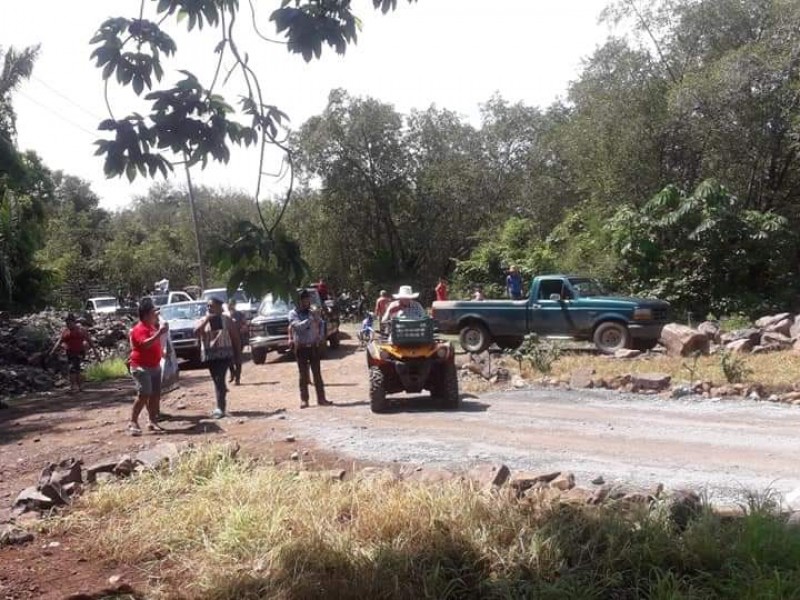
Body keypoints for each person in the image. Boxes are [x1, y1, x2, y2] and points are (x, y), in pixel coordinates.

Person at [128, 298, 168, 436]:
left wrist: (162, 353)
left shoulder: (151, 327)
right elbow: (144, 344)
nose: (155, 315)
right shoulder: (139, 329)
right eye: (153, 312)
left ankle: (152, 421)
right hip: (141, 367)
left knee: (155, 395)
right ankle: (133, 421)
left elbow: (154, 344)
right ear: (146, 314)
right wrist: (160, 333)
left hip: (155, 366)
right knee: (144, 394)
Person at [195, 297, 240, 418]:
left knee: (219, 379)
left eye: (212, 306)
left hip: (224, 355)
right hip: (210, 356)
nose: (209, 308)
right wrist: (206, 320)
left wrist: (237, 359)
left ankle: (220, 407)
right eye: (208, 306)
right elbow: (197, 332)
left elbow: (235, 339)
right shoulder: (203, 320)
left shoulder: (227, 320)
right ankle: (222, 394)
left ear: (220, 307)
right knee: (216, 380)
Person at [289, 290, 332, 409]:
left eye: (308, 300)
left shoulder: (312, 312)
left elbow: (322, 323)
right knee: (303, 375)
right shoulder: (293, 314)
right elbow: (298, 327)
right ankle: (304, 400)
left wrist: (321, 336)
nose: (306, 302)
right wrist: (310, 320)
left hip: (313, 346)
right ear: (299, 301)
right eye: (304, 300)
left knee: (317, 374)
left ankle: (321, 398)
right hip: (301, 348)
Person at [48, 314, 100, 393]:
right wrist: (52, 351)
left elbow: (90, 341)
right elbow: (59, 342)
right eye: (67, 323)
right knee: (75, 369)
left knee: (73, 368)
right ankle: (78, 387)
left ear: (74, 322)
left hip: (79, 352)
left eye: (69, 323)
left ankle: (75, 387)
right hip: (70, 353)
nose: (68, 325)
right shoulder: (65, 332)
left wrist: (96, 353)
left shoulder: (81, 330)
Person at [227, 298, 247, 386]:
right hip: (228, 339)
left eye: (232, 304)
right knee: (228, 358)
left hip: (238, 339)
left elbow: (244, 325)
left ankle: (237, 378)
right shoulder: (226, 315)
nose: (231, 306)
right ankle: (232, 372)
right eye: (230, 304)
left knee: (238, 359)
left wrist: (242, 328)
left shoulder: (240, 314)